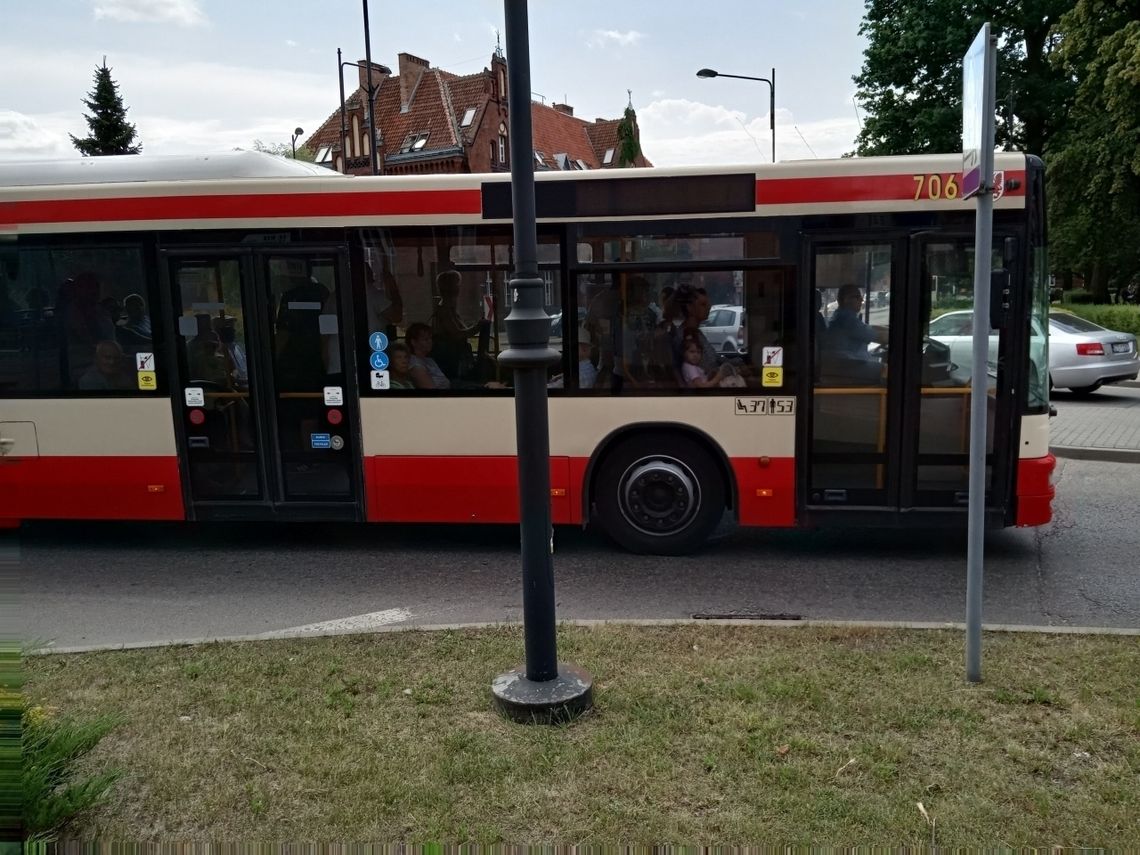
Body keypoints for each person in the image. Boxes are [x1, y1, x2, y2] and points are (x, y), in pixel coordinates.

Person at [826, 283, 888, 361]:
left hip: (849, 361)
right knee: (885, 369)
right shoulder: (847, 320)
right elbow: (881, 337)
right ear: (846, 299)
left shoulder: (841, 316)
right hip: (850, 365)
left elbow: (868, 328)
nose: (862, 300)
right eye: (857, 297)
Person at [406, 322, 450, 390]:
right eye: (426, 339)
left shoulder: (429, 360)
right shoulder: (415, 364)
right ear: (413, 342)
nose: (430, 341)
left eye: (430, 338)